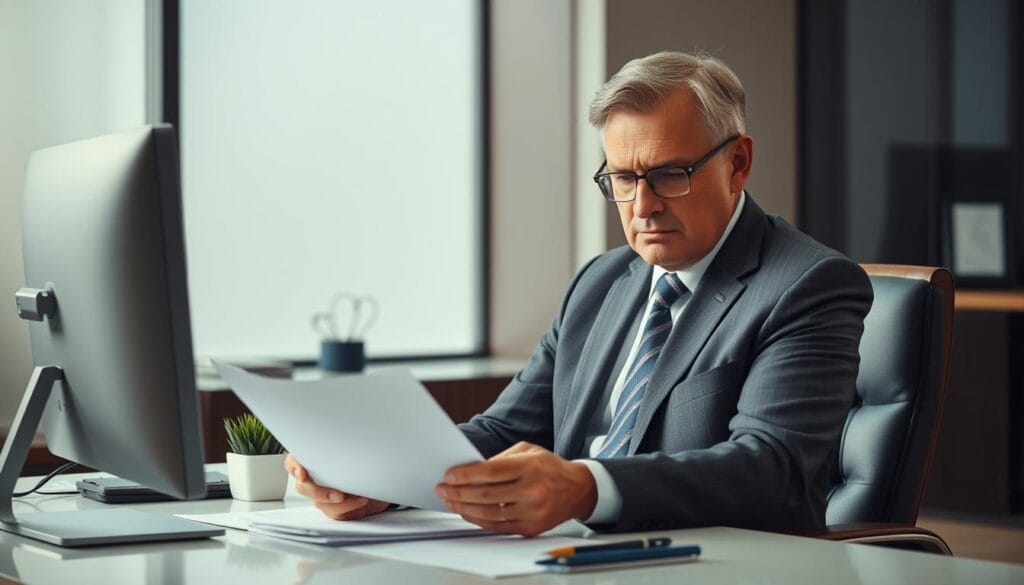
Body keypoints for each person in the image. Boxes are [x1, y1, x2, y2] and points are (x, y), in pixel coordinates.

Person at [285, 51, 873, 537]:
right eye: (623, 179)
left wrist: (588, 487)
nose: (642, 206)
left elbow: (769, 469)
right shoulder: (599, 283)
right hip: (562, 560)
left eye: (670, 174)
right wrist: (377, 475)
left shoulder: (808, 285)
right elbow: (503, 431)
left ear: (738, 163)